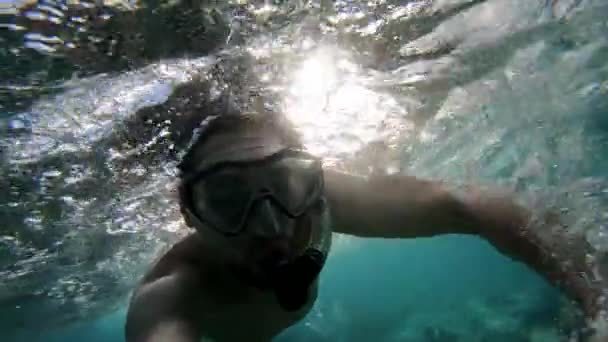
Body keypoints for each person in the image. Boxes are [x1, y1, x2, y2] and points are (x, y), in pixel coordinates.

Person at [124, 113, 606, 342]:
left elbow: (469, 205)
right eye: (228, 200)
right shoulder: (173, 295)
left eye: (286, 186)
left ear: (311, 184)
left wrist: (597, 299)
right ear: (189, 213)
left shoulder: (325, 204)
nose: (270, 225)